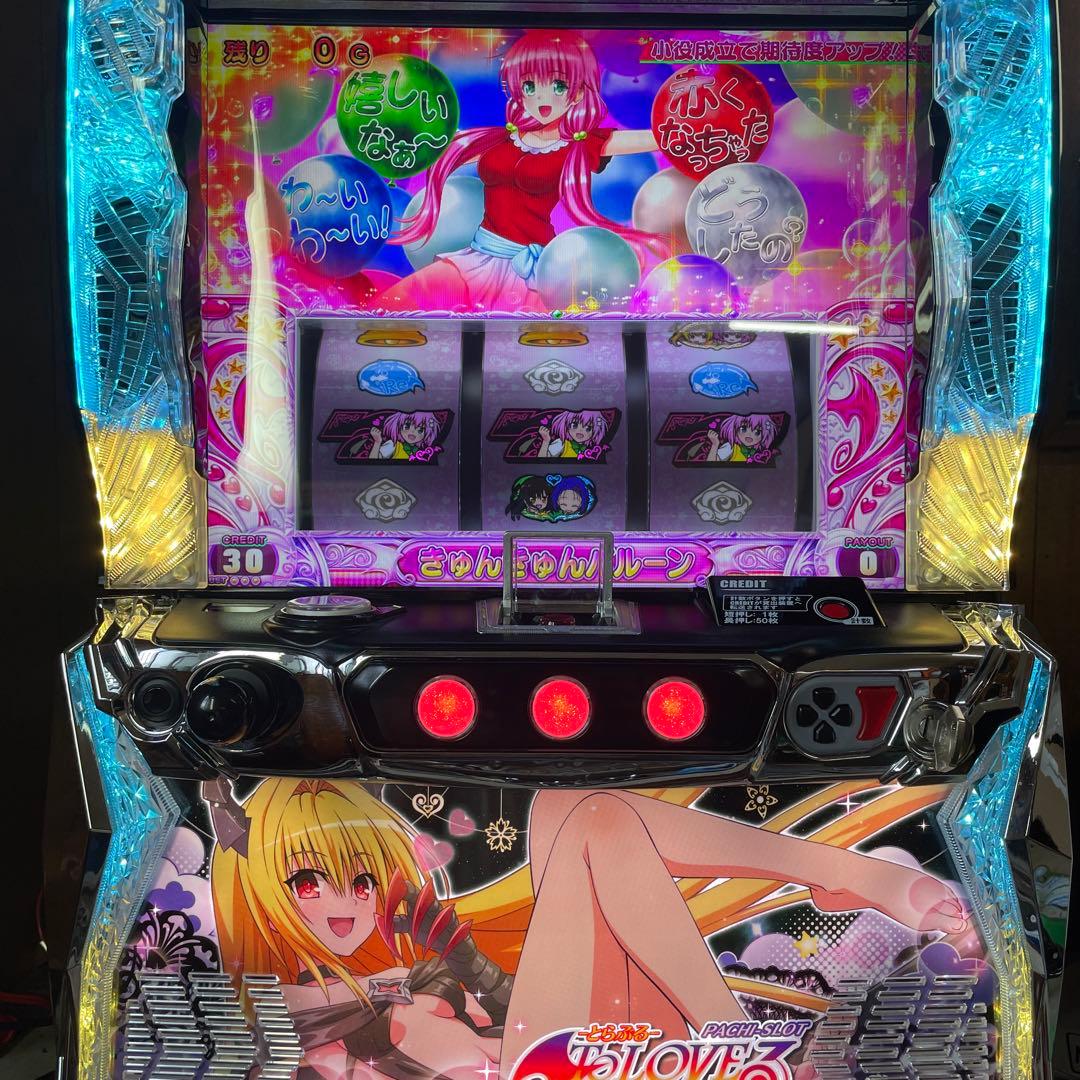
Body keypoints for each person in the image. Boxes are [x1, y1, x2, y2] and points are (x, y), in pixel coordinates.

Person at [381, 31, 663, 312]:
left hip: (532, 272)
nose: (541, 96)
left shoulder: (578, 145)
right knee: (394, 307)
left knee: (535, 337)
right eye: (529, 85)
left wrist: (681, 129)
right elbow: (435, 141)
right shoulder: (499, 139)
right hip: (477, 257)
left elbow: (657, 138)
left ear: (578, 92)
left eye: (558, 85)